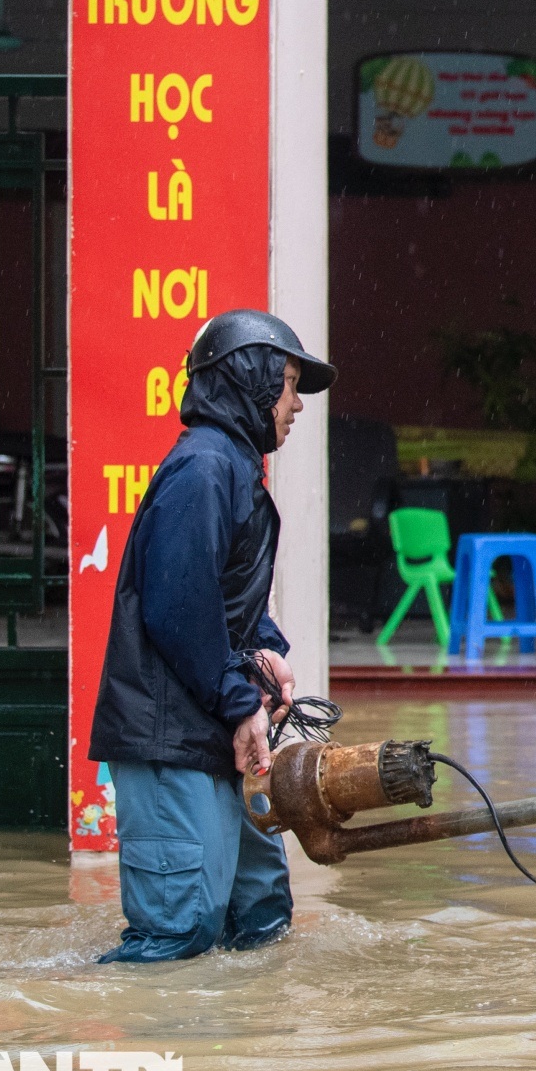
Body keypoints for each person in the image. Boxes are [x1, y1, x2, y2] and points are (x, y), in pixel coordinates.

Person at [89, 309, 335, 963]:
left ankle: (244, 1060)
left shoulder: (232, 466)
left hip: (213, 723)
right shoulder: (203, 468)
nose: (296, 404)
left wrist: (267, 650)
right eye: (287, 383)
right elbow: (177, 604)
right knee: (181, 932)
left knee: (259, 914)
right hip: (172, 733)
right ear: (250, 383)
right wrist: (237, 701)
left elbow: (224, 597)